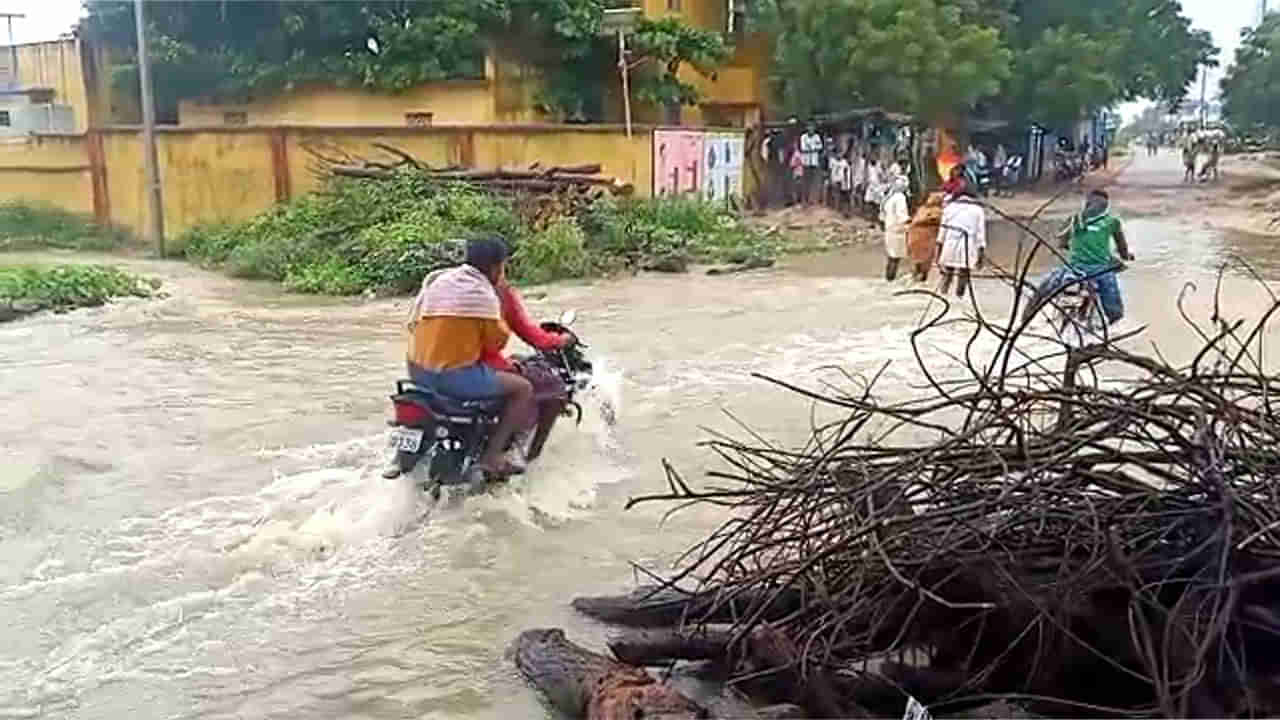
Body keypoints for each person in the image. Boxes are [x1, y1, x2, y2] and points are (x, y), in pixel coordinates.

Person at [406, 235, 533, 476]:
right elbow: (496, 342)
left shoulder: (438, 281)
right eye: (503, 266)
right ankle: (492, 457)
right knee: (522, 389)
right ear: (497, 267)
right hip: (449, 377)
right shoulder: (482, 294)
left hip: (416, 371)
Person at [1025, 189, 1133, 326]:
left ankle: (1025, 318)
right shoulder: (1112, 222)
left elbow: (1061, 243)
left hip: (1074, 269)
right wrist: (1126, 256)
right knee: (1114, 307)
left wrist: (1074, 248)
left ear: (1087, 203)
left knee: (1043, 288)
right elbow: (1122, 248)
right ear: (1106, 205)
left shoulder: (1074, 219)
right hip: (1100, 270)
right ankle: (1114, 327)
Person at [937, 184, 986, 299]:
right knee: (963, 274)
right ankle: (959, 297)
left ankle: (943, 297)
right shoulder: (978, 210)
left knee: (947, 274)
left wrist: (938, 253)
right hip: (968, 246)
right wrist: (981, 255)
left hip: (950, 244)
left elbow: (942, 233)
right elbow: (980, 235)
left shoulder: (949, 209)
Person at [907, 192, 944, 283]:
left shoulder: (924, 209)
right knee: (922, 259)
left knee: (922, 260)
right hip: (920, 237)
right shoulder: (927, 210)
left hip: (923, 238)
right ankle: (919, 275)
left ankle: (919, 276)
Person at [881, 174, 911, 282]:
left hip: (889, 229)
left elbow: (883, 215)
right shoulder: (900, 198)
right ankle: (891, 277)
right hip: (897, 230)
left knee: (891, 255)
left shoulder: (889, 198)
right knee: (895, 257)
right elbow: (901, 215)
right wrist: (909, 222)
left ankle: (888, 277)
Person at [799, 122, 823, 205]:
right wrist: (813, 147)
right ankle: (804, 199)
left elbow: (820, 147)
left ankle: (812, 199)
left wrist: (812, 147)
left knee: (814, 181)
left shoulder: (817, 136)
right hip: (806, 162)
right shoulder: (803, 137)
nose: (811, 129)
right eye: (809, 127)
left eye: (812, 127)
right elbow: (803, 148)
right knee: (805, 181)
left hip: (814, 161)